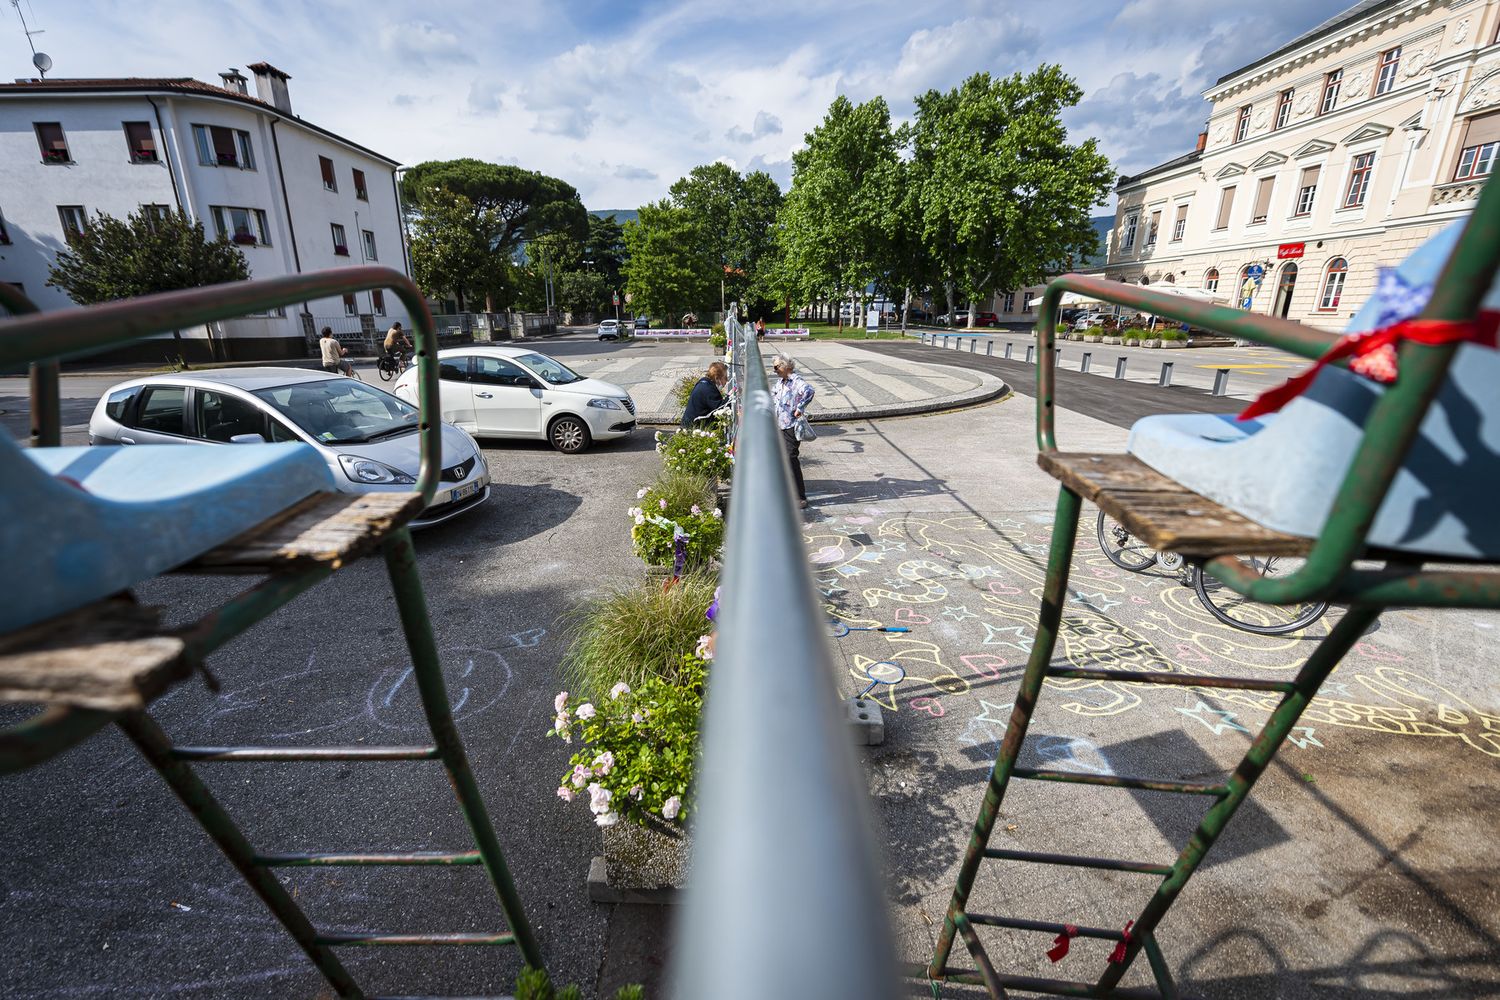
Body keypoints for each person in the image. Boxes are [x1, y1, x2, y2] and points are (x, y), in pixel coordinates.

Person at [772, 355, 815, 508]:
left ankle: (799, 497)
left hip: (789, 425)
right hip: (778, 424)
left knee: (791, 458)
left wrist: (800, 408)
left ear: (786, 366)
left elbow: (809, 391)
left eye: (777, 367)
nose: (774, 370)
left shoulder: (796, 381)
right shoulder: (780, 382)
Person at [681, 361, 729, 427]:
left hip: (688, 422)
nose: (727, 381)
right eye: (725, 378)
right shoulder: (709, 389)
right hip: (694, 427)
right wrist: (730, 397)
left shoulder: (704, 382)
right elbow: (721, 408)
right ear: (717, 378)